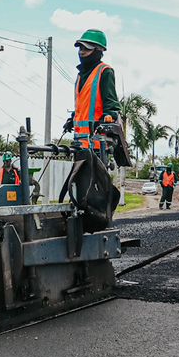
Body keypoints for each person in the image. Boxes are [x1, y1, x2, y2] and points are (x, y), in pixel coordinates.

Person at [60, 28, 126, 218]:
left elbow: (111, 104)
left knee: (93, 188)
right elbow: (84, 105)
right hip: (80, 142)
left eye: (86, 48)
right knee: (79, 186)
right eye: (80, 48)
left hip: (98, 143)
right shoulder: (81, 75)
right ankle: (83, 217)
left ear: (98, 50)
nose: (82, 52)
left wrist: (109, 116)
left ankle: (97, 218)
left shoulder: (104, 72)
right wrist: (73, 118)